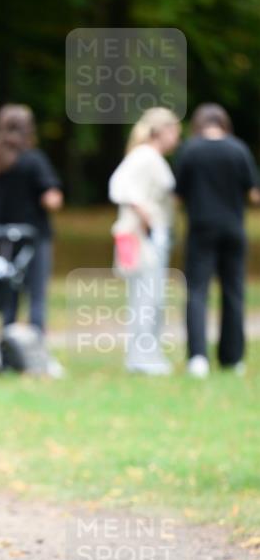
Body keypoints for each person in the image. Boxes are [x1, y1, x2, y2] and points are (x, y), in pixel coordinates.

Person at [174, 103, 260, 377]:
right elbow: (254, 194)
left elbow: (178, 195)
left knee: (197, 292)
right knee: (233, 292)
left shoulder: (190, 150)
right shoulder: (238, 149)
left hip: (201, 229)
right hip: (234, 229)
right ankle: (232, 358)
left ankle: (198, 357)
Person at [0, 105, 63, 344]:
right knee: (36, 293)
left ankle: (6, 341)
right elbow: (52, 199)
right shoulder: (34, 159)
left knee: (7, 292)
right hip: (34, 236)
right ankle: (36, 342)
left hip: (0, 237)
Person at [108, 107, 181, 375]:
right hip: (141, 237)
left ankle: (146, 354)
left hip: (148, 236)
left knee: (151, 297)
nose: (177, 138)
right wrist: (147, 218)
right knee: (145, 297)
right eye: (174, 131)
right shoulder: (145, 156)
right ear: (161, 131)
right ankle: (142, 357)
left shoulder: (149, 157)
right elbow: (119, 185)